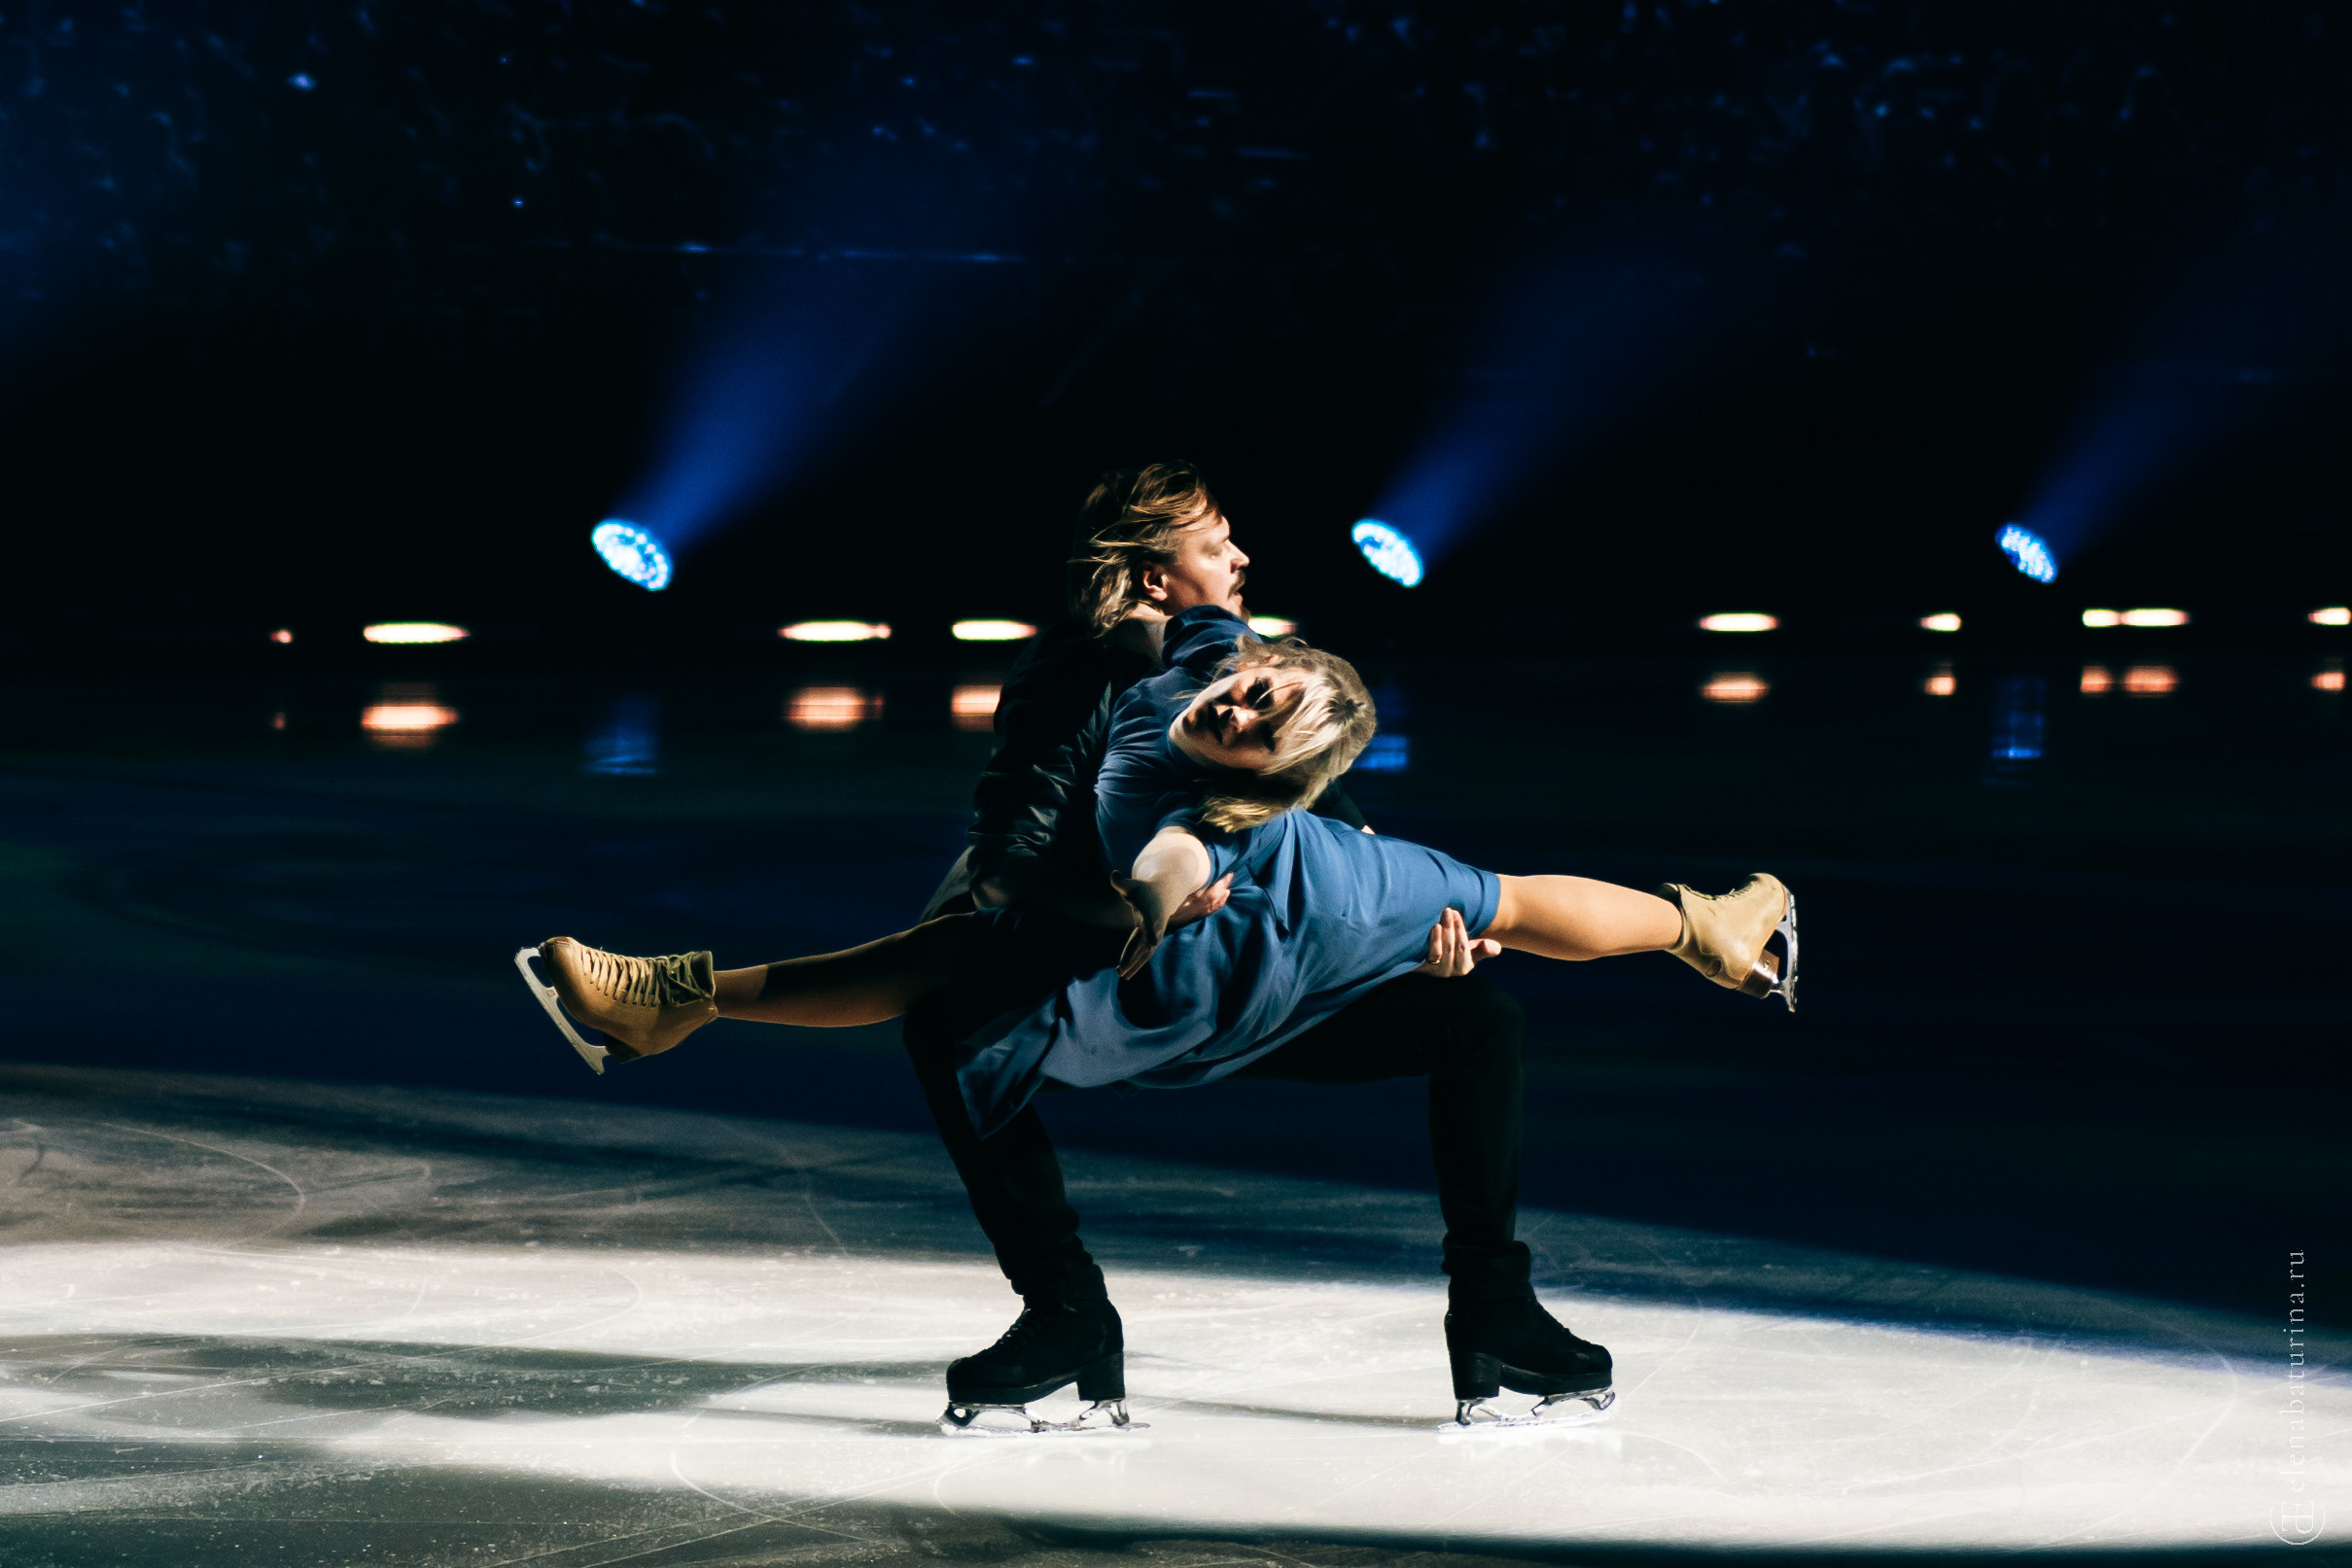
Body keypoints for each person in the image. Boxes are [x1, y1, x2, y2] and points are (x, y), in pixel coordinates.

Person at [521, 485, 1798, 1430]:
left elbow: (1197, 849)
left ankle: (1490, 1307)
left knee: (1479, 983)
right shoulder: (1145, 672)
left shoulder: (1236, 773)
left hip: (1229, 950)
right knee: (972, 983)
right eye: (1215, 537)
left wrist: (1171, 906)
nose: (1240, 559)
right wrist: (1136, 891)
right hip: (1152, 957)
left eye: (1259, 704)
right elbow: (1063, 829)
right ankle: (1704, 931)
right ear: (1153, 578)